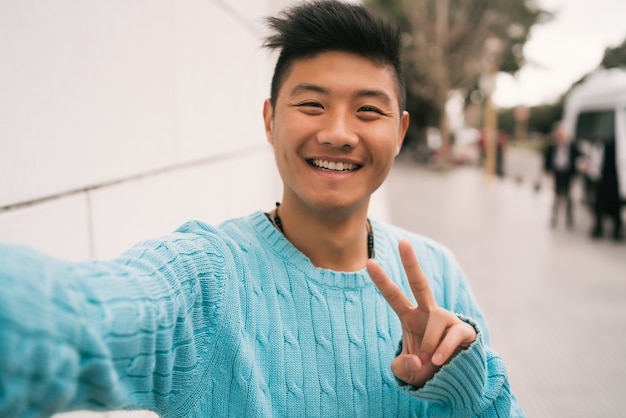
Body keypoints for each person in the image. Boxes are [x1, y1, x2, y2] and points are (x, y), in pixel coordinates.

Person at [0, 1, 525, 417]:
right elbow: (81, 318)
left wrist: (464, 384)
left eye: (367, 110)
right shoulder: (207, 279)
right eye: (312, 104)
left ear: (400, 131)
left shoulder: (438, 274)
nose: (338, 133)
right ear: (270, 120)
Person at [542, 122, 582, 228]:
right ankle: (554, 218)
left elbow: (580, 155)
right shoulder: (553, 146)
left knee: (569, 197)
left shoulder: (572, 145)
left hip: (568, 173)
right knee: (556, 196)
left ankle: (569, 220)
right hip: (557, 173)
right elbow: (547, 158)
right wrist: (546, 170)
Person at [586, 135, 623, 240]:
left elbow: (596, 167)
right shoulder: (613, 145)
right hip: (612, 181)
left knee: (604, 206)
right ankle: (613, 230)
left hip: (606, 181)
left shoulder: (605, 146)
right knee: (612, 207)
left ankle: (602, 229)